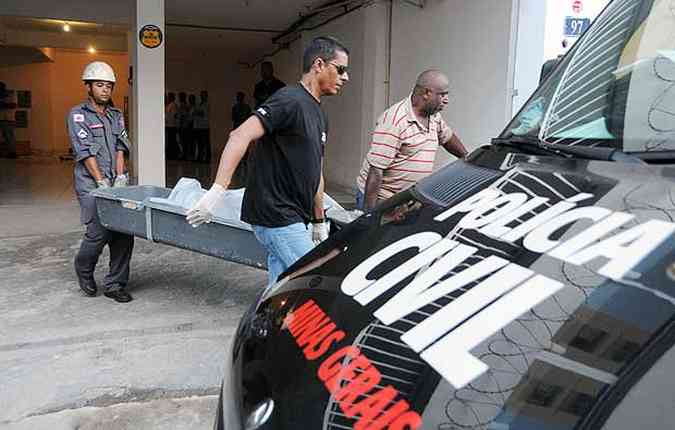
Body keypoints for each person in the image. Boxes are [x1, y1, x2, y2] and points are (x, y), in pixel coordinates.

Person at [187, 36, 350, 287]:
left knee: (281, 285)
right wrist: (217, 191)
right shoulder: (289, 100)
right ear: (319, 65)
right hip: (277, 215)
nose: (345, 77)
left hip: (295, 216)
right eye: (340, 69)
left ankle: (271, 322)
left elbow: (315, 170)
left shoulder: (319, 114)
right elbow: (239, 135)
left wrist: (318, 220)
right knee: (316, 280)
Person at [67, 61, 134, 303]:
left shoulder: (116, 115)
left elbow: (119, 148)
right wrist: (101, 182)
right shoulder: (77, 115)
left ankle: (115, 284)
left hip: (114, 183)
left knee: (124, 234)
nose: (105, 89)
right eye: (99, 85)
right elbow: (85, 152)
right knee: (98, 233)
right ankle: (84, 271)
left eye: (108, 86)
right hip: (91, 185)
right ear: (88, 87)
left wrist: (121, 177)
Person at [355, 69, 468, 210]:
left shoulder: (433, 116)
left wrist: (467, 158)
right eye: (442, 95)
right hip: (383, 200)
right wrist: (369, 216)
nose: (446, 100)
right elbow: (376, 170)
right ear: (426, 93)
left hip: (407, 200)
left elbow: (447, 137)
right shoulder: (395, 121)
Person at [0, 81, 17, 159]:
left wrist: (3, 104)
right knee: (6, 136)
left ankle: (12, 153)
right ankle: (8, 152)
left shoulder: (10, 95)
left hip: (8, 119)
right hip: (2, 118)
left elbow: (13, 105)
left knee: (9, 136)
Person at [193, 90, 211, 163]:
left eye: (203, 95)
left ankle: (207, 158)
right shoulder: (199, 104)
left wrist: (197, 112)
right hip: (197, 126)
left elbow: (202, 113)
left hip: (204, 126)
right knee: (199, 143)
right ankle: (199, 157)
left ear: (206, 96)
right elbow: (195, 112)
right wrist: (197, 112)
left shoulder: (207, 104)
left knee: (205, 143)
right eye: (201, 95)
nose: (202, 96)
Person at [165, 92, 179, 160]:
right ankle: (170, 154)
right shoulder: (168, 105)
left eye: (169, 97)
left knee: (172, 141)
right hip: (168, 125)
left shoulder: (173, 105)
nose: (168, 98)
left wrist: (166, 118)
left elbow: (173, 116)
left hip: (172, 125)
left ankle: (173, 155)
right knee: (169, 141)